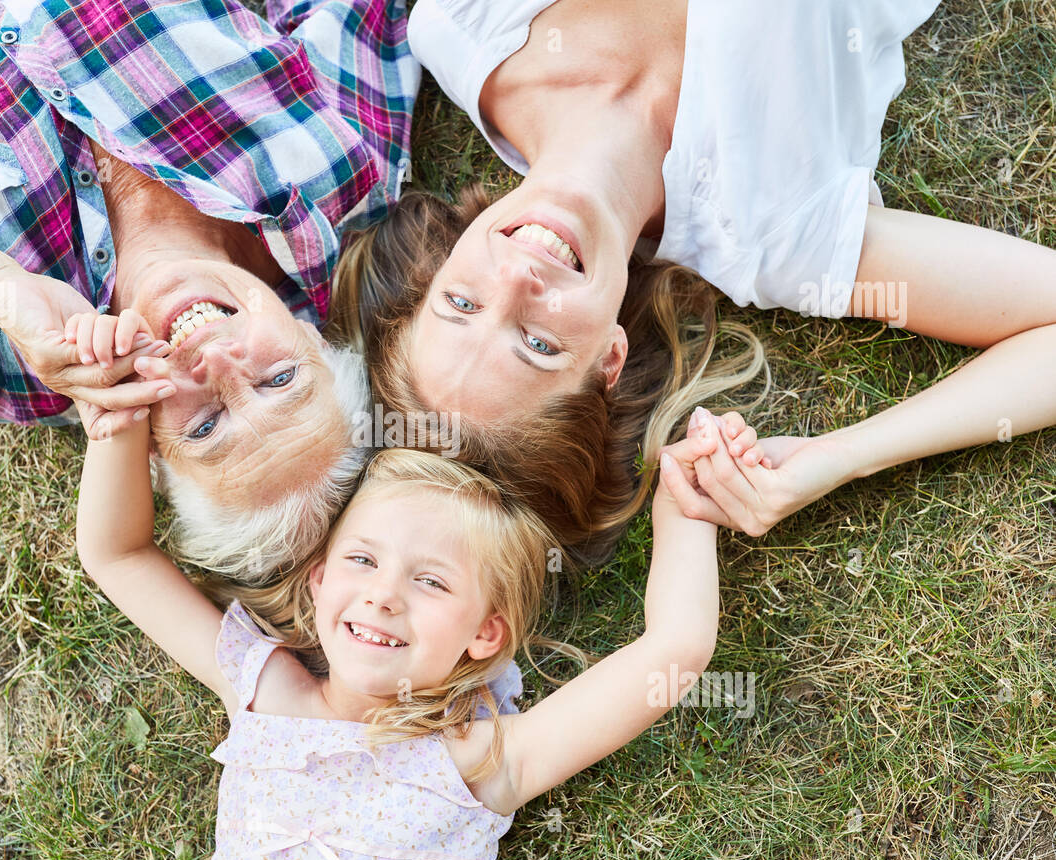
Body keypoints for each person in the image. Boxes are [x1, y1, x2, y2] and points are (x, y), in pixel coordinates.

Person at [333, 0, 1056, 559]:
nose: (520, 277)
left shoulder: (460, 28)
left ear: (433, 273)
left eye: (461, 304)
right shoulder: (768, 232)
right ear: (608, 359)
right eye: (538, 343)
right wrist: (841, 457)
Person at [0, 0, 419, 582]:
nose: (216, 363)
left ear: (151, 456)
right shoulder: (338, 172)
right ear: (310, 335)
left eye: (207, 425)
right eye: (279, 380)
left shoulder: (24, 361)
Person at [77, 375, 721, 860]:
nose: (385, 595)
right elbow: (119, 556)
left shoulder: (482, 759)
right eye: (363, 560)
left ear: (483, 634)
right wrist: (117, 420)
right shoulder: (261, 688)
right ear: (321, 578)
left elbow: (676, 652)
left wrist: (684, 507)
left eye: (432, 581)